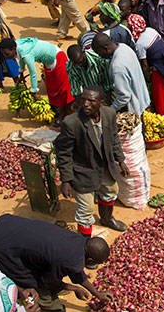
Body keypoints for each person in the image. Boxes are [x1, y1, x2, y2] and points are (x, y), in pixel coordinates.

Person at [0, 214, 112, 312]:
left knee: (42, 266)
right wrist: (73, 288)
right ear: (89, 260)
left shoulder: (78, 241)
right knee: (43, 295)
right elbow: (46, 283)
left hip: (4, 224)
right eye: (97, 262)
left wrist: (96, 293)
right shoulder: (67, 260)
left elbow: (75, 269)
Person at [55, 87, 130, 234]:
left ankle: (107, 219)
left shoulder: (109, 114)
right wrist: (66, 180)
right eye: (83, 100)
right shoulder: (72, 123)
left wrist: (120, 160)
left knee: (111, 191)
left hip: (104, 165)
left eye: (91, 101)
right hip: (83, 170)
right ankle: (84, 242)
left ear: (101, 103)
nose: (86, 104)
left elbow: (114, 138)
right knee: (86, 210)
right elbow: (64, 153)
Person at [0, 38, 75, 124]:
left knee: (62, 87)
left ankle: (64, 113)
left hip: (57, 58)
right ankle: (55, 107)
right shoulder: (18, 46)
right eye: (4, 54)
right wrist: (21, 73)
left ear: (13, 48)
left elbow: (33, 74)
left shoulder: (27, 55)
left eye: (7, 53)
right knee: (51, 86)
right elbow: (21, 59)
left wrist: (34, 92)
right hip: (48, 61)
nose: (6, 56)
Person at [127, 14, 164, 116]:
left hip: (160, 71)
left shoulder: (140, 44)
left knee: (163, 97)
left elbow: (144, 65)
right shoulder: (150, 30)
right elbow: (163, 43)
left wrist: (145, 79)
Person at [92, 33, 151, 114]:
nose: (100, 56)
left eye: (99, 53)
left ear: (105, 48)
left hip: (135, 109)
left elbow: (124, 96)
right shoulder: (124, 47)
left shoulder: (117, 66)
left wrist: (111, 109)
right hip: (143, 99)